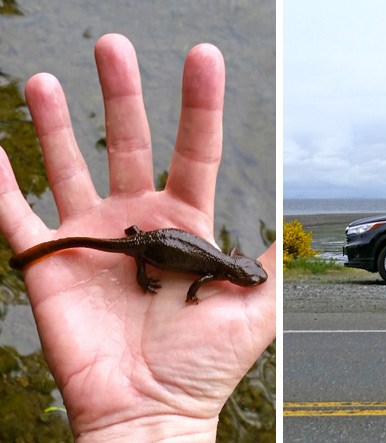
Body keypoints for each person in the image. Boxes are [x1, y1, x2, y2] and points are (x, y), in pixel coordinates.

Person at [0, 34, 276, 441]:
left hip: (147, 238)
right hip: (148, 248)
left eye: (249, 275)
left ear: (239, 267)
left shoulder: (227, 262)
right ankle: (132, 271)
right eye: (250, 276)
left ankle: (113, 257)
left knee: (117, 248)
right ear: (236, 274)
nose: (249, 277)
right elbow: (194, 285)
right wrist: (178, 292)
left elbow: (223, 259)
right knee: (130, 258)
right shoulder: (215, 274)